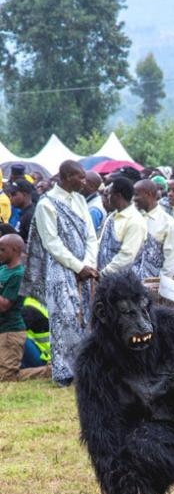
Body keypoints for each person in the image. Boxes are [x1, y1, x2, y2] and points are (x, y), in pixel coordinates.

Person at [22, 160, 98, 387]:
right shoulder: (47, 204)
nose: (84, 182)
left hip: (85, 269)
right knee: (64, 317)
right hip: (60, 269)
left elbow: (91, 236)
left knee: (85, 317)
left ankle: (85, 370)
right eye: (79, 177)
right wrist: (77, 266)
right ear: (65, 177)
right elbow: (51, 243)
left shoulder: (80, 200)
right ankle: (65, 372)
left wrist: (88, 264)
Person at [0, 234, 49, 381]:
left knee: (6, 377)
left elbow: (4, 305)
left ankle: (50, 372)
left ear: (14, 250)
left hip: (10, 332)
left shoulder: (19, 274)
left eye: (2, 249)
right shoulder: (3, 270)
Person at [97, 177, 148, 278]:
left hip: (122, 282)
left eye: (109, 194)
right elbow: (101, 244)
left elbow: (126, 256)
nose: (107, 198)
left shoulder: (135, 221)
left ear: (118, 196)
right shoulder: (112, 216)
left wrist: (104, 273)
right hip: (104, 280)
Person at [133, 179, 174, 279]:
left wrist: (159, 283)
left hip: (153, 284)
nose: (134, 199)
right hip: (127, 283)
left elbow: (171, 260)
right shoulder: (132, 217)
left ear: (148, 194)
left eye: (137, 195)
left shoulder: (167, 222)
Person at [81, 171, 105, 235]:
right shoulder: (91, 200)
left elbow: (85, 235)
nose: (79, 182)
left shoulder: (94, 210)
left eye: (83, 180)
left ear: (92, 186)